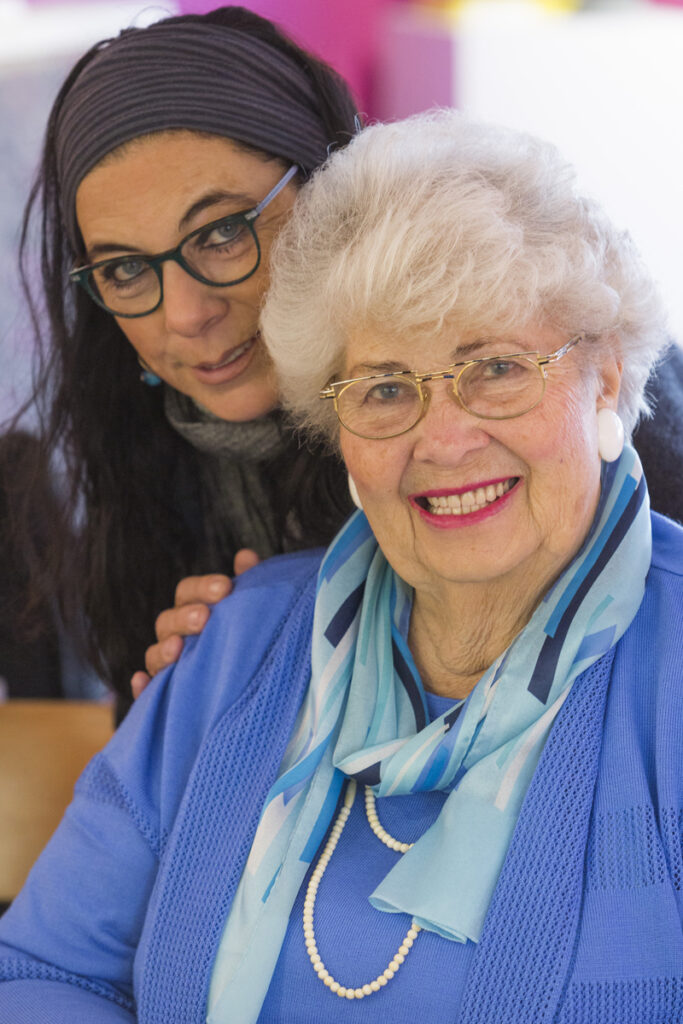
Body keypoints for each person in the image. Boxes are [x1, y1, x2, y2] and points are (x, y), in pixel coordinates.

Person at [1, 110, 681, 1023]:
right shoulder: (235, 646)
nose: (444, 440)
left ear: (604, 376)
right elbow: (42, 972)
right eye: (386, 388)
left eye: (494, 368)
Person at [8, 5, 356, 719]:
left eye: (222, 233)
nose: (185, 315)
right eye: (127, 270)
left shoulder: (474, 403)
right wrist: (176, 714)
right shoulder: (141, 470)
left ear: (328, 189)